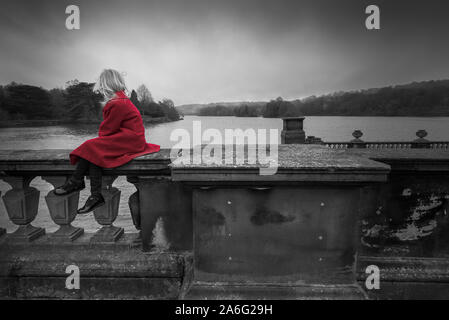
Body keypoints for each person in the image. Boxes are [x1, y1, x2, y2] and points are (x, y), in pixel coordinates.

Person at [54, 69, 160, 214]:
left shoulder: (116, 103)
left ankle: (77, 182)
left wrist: (104, 134)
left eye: (101, 87)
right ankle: (94, 195)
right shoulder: (122, 99)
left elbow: (107, 131)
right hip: (132, 139)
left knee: (90, 146)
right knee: (95, 152)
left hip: (130, 140)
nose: (101, 90)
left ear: (106, 85)